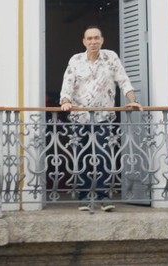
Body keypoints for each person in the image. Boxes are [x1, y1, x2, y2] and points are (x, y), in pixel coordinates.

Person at [60, 25, 142, 212]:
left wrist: (132, 101)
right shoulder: (76, 60)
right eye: (89, 39)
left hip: (104, 117)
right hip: (79, 117)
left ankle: (104, 197)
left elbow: (123, 80)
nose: (93, 42)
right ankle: (84, 197)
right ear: (84, 42)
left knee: (104, 155)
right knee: (82, 157)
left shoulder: (111, 57)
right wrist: (65, 101)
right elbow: (68, 84)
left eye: (96, 38)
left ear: (102, 40)